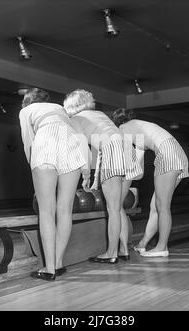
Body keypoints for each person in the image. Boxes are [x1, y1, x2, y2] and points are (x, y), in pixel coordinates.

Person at [19, 88, 90, 280]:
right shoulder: (60, 108)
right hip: (72, 148)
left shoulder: (26, 111)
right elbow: (80, 136)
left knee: (46, 211)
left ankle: (49, 268)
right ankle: (58, 263)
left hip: (45, 146)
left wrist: (34, 167)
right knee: (65, 209)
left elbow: (28, 142)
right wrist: (86, 168)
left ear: (27, 101)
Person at [112, 108, 189, 257]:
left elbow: (128, 163)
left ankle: (162, 247)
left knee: (163, 206)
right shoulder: (138, 127)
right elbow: (136, 166)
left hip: (166, 153)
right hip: (177, 153)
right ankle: (142, 244)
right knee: (155, 206)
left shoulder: (123, 129)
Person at [63, 89, 125, 264]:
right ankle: (120, 250)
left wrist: (85, 176)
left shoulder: (77, 119)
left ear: (71, 106)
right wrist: (93, 176)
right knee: (117, 208)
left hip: (112, 151)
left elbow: (82, 149)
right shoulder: (98, 114)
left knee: (113, 209)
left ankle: (111, 253)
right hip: (124, 149)